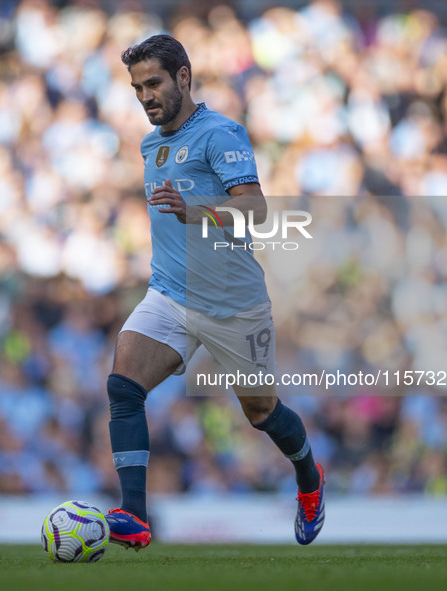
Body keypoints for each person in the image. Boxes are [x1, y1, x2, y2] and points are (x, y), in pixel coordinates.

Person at [103, 34, 325, 550]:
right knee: (123, 386)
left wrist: (194, 211)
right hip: (170, 294)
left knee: (262, 413)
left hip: (232, 304)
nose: (145, 96)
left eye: (153, 83)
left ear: (183, 77)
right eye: (137, 88)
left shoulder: (221, 134)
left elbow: (257, 213)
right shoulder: (150, 143)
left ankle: (310, 480)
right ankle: (134, 516)